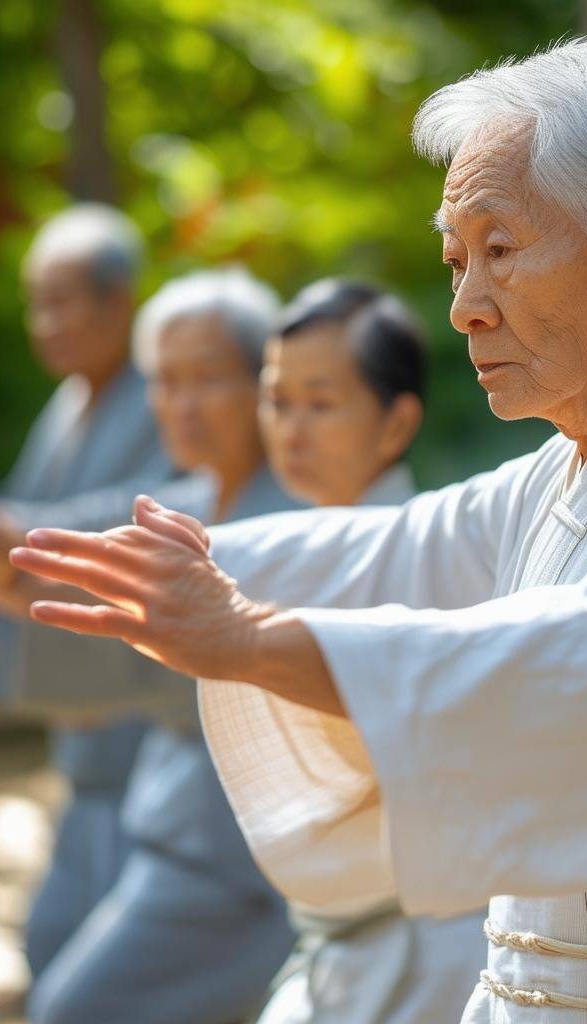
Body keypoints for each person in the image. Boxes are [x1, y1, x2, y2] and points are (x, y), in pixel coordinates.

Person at [10, 37, 587, 1023]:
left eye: (499, 251)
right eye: (456, 261)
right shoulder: (573, 465)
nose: (463, 307)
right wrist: (84, 567)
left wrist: (246, 635)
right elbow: (386, 553)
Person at [0, 269, 300, 1023]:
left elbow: (153, 639)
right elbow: (74, 537)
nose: (181, 406)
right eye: (166, 382)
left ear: (266, 385)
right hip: (162, 818)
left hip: (246, 855)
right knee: (52, 956)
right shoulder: (187, 500)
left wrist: (6, 579)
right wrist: (1, 558)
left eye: (207, 380)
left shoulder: (293, 512)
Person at [0, 203, 186, 978]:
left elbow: (152, 514)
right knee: (55, 947)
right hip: (88, 758)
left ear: (120, 301)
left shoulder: (165, 395)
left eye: (62, 300)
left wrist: (1, 536)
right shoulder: (72, 402)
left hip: (156, 737)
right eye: (34, 303)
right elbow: (20, 523)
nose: (45, 323)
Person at [222, 277, 486, 1024]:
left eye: (321, 401)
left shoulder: (437, 561)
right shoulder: (284, 553)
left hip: (431, 952)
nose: (291, 429)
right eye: (277, 400)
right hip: (332, 943)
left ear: (397, 423)